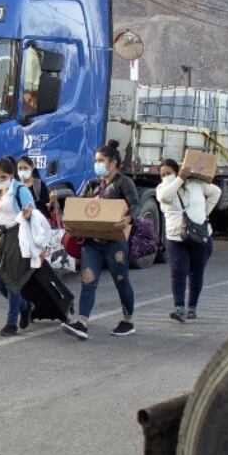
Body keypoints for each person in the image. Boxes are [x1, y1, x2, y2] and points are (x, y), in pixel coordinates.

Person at [61, 140, 140, 340]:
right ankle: (82, 323)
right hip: (92, 241)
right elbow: (79, 206)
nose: (97, 164)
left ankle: (127, 320)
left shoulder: (123, 182)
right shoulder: (92, 184)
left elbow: (136, 204)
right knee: (88, 280)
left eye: (101, 160)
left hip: (115, 240)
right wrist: (71, 222)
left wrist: (128, 219)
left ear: (113, 162)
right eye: (96, 160)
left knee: (121, 280)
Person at [156, 158, 222, 322]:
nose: (166, 177)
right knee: (178, 271)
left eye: (169, 173)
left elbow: (216, 192)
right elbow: (165, 197)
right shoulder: (163, 188)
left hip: (200, 236)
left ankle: (192, 307)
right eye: (163, 174)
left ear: (178, 170)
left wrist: (205, 213)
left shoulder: (195, 184)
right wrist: (178, 179)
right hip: (176, 238)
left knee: (196, 273)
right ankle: (179, 308)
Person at [0, 156, 36, 336]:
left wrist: (28, 214)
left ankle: (11, 323)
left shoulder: (20, 190)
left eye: (3, 177)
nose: (0, 180)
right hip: (1, 236)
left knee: (13, 281)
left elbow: (33, 214)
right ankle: (25, 307)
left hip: (17, 235)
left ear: (11, 174)